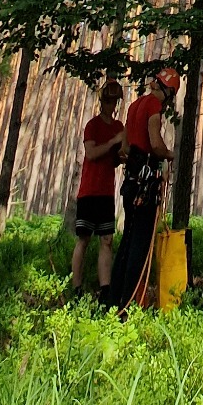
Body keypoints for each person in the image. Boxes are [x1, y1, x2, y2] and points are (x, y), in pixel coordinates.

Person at [107, 64, 180, 309]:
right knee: (140, 243)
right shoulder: (153, 106)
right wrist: (169, 154)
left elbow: (125, 147)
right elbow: (155, 142)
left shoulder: (134, 106)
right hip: (146, 185)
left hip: (131, 182)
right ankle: (128, 304)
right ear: (167, 90)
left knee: (127, 240)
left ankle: (113, 300)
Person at [70, 79, 124, 297]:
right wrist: (113, 142)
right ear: (103, 102)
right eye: (109, 101)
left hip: (106, 192)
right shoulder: (93, 125)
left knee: (107, 240)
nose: (112, 106)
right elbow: (91, 153)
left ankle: (105, 289)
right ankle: (76, 286)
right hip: (89, 191)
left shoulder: (119, 127)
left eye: (115, 102)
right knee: (84, 239)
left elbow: (117, 157)